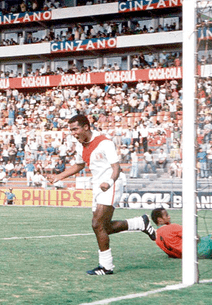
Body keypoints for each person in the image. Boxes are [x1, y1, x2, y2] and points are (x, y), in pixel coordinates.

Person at [52, 115, 156, 275]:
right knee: (104, 227)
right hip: (98, 186)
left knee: (96, 224)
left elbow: (116, 168)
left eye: (75, 129)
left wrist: (109, 182)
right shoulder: (80, 146)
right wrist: (60, 176)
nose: (73, 133)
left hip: (112, 183)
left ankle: (106, 266)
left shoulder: (104, 143)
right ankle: (139, 223)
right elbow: (79, 165)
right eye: (71, 130)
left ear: (86, 127)